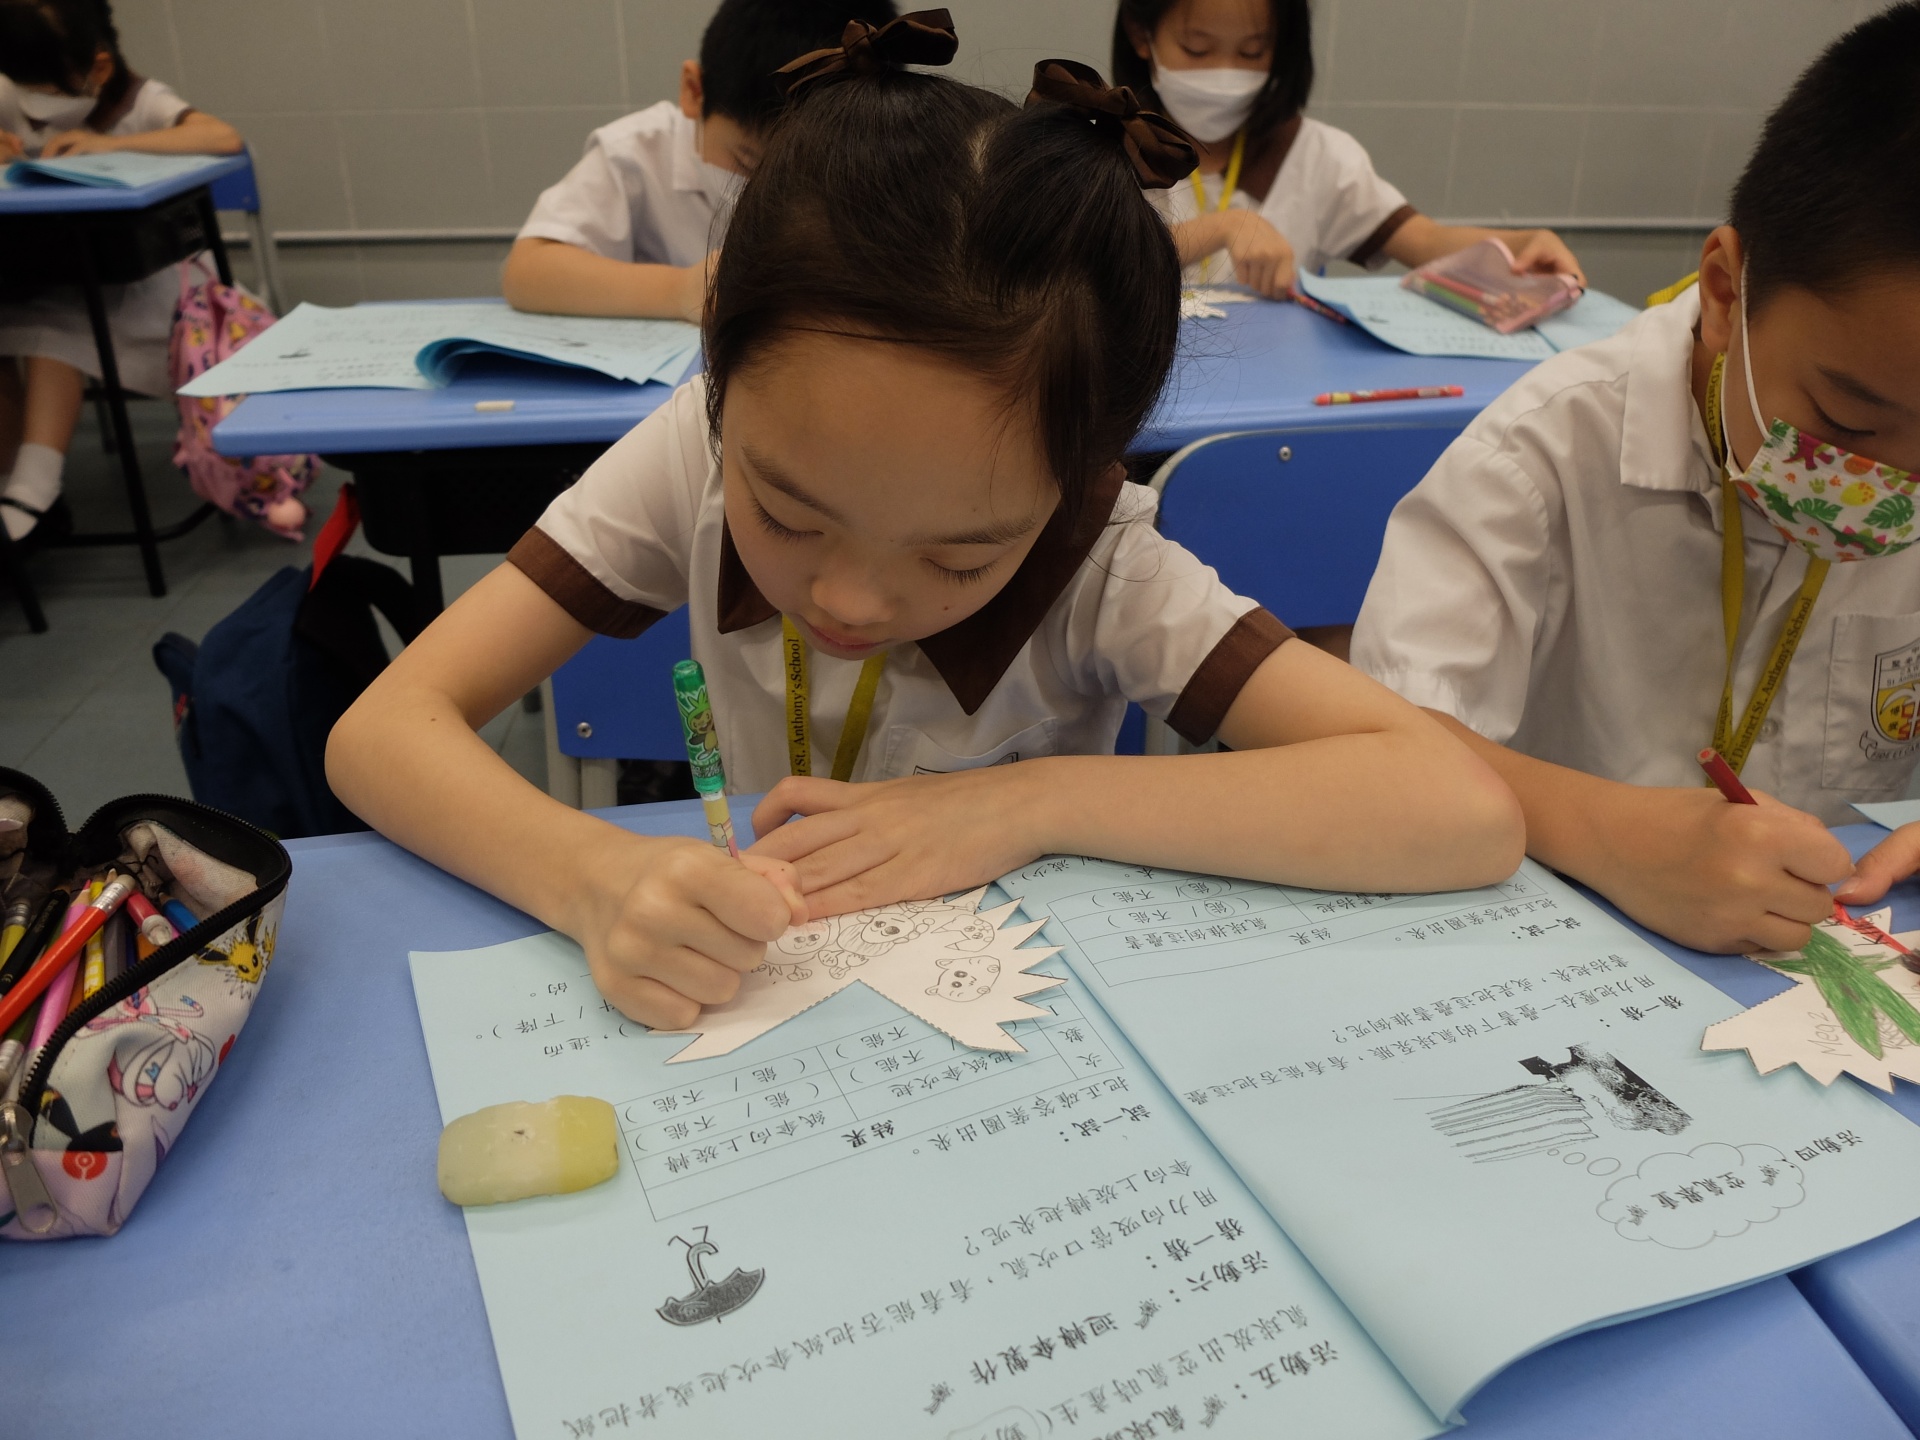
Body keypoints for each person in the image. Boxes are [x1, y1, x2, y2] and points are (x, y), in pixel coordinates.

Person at [329, 14, 1522, 1033]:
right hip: (775, 1009)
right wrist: (590, 877)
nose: (850, 599)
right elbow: (382, 731)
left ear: (1073, 479)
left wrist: (1029, 805)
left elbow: (1457, 807)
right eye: (788, 516)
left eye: (961, 556)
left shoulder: (1100, 560)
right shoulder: (699, 444)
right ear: (723, 378)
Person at [1351, 3, 1920, 956]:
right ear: (1726, 293)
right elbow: (1379, 749)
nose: (1896, 483)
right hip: (1556, 952)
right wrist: (1607, 833)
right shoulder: (1536, 460)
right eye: (1850, 422)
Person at [1111, 0, 1582, 296]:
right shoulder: (1103, 146)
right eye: (1196, 48)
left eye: (1252, 52)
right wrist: (1221, 228)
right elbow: (1095, 268)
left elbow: (1426, 242)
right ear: (1140, 35)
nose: (1224, 72)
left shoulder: (1318, 157)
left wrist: (1519, 246)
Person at [0, 0, 255, 543]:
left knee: (54, 329)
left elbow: (223, 138)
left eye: (46, 91)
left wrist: (109, 146)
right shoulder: (9, 92)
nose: (34, 108)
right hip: (58, 275)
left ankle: (31, 495)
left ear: (99, 68)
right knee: (22, 320)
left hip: (156, 286)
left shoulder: (142, 101)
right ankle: (14, 491)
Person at [500, 0, 897, 323]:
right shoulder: (636, 153)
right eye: (747, 161)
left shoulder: (885, 159)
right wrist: (681, 291)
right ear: (693, 91)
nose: (770, 185)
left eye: (808, 170)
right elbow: (528, 272)